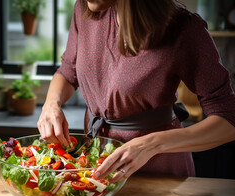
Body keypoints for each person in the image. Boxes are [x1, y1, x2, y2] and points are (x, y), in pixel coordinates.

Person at [37, 0, 235, 183]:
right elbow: (68, 70)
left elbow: (228, 120)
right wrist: (51, 104)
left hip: (159, 173)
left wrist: (150, 145)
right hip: (96, 166)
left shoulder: (183, 27)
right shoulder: (84, 9)